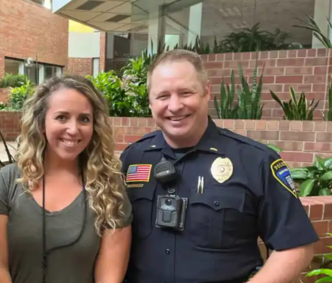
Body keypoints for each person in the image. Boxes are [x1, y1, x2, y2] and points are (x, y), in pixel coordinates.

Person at [121, 49, 318, 283]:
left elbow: (296, 246)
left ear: (206, 92)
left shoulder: (255, 161)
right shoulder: (134, 158)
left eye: (186, 92)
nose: (174, 106)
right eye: (163, 96)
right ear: (150, 102)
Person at [0, 75, 133, 283]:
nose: (73, 129)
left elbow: (109, 276)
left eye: (84, 119)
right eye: (62, 117)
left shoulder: (109, 187)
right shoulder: (9, 180)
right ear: (42, 123)